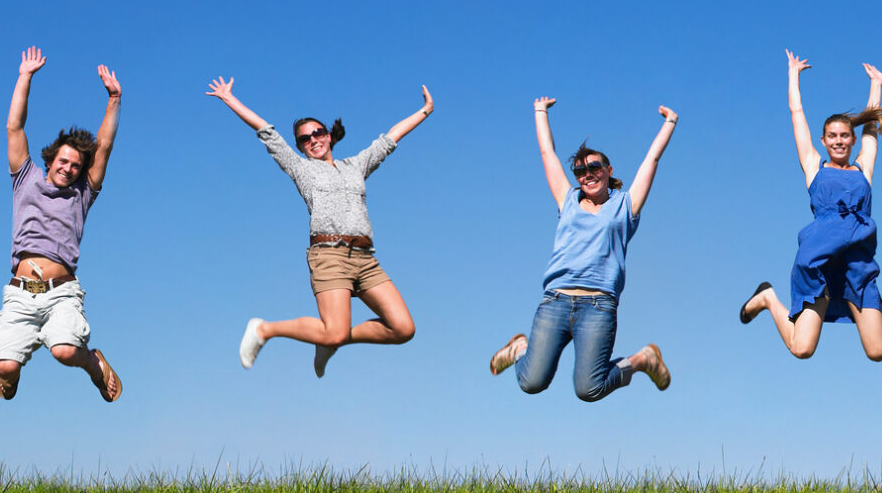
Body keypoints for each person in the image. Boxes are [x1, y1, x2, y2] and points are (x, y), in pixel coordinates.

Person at [211, 77, 432, 376]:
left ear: (329, 136)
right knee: (334, 331)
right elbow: (266, 132)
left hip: (366, 259)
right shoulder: (301, 169)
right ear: (300, 147)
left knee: (404, 329)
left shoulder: (355, 166)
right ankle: (265, 329)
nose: (313, 139)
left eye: (318, 133)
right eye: (305, 138)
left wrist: (425, 111)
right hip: (329, 256)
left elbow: (390, 139)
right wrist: (229, 99)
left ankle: (326, 338)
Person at [486, 96, 675, 400]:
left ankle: (643, 360)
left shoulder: (625, 206)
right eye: (579, 171)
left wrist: (670, 123)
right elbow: (547, 153)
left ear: (608, 170)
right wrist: (540, 111)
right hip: (556, 301)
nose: (587, 174)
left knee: (589, 388)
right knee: (531, 382)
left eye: (594, 167)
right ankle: (520, 348)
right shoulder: (568, 200)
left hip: (598, 307)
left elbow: (651, 159)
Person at [0, 46, 124, 402]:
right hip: (21, 290)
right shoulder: (25, 178)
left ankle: (94, 364)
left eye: (76, 165)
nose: (69, 168)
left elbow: (104, 147)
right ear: (51, 160)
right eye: (64, 161)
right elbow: (14, 126)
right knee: (5, 367)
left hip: (61, 290)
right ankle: (11, 371)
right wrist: (25, 77)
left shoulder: (82, 194)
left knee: (64, 350)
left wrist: (113, 100)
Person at [736, 52, 882, 360]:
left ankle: (877, 308)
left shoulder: (864, 170)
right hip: (817, 260)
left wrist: (876, 85)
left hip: (856, 263)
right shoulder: (814, 167)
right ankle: (768, 297)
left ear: (851, 140)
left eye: (845, 136)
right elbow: (797, 114)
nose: (839, 141)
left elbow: (872, 128)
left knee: (877, 351)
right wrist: (793, 75)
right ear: (823, 140)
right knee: (802, 347)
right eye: (832, 136)